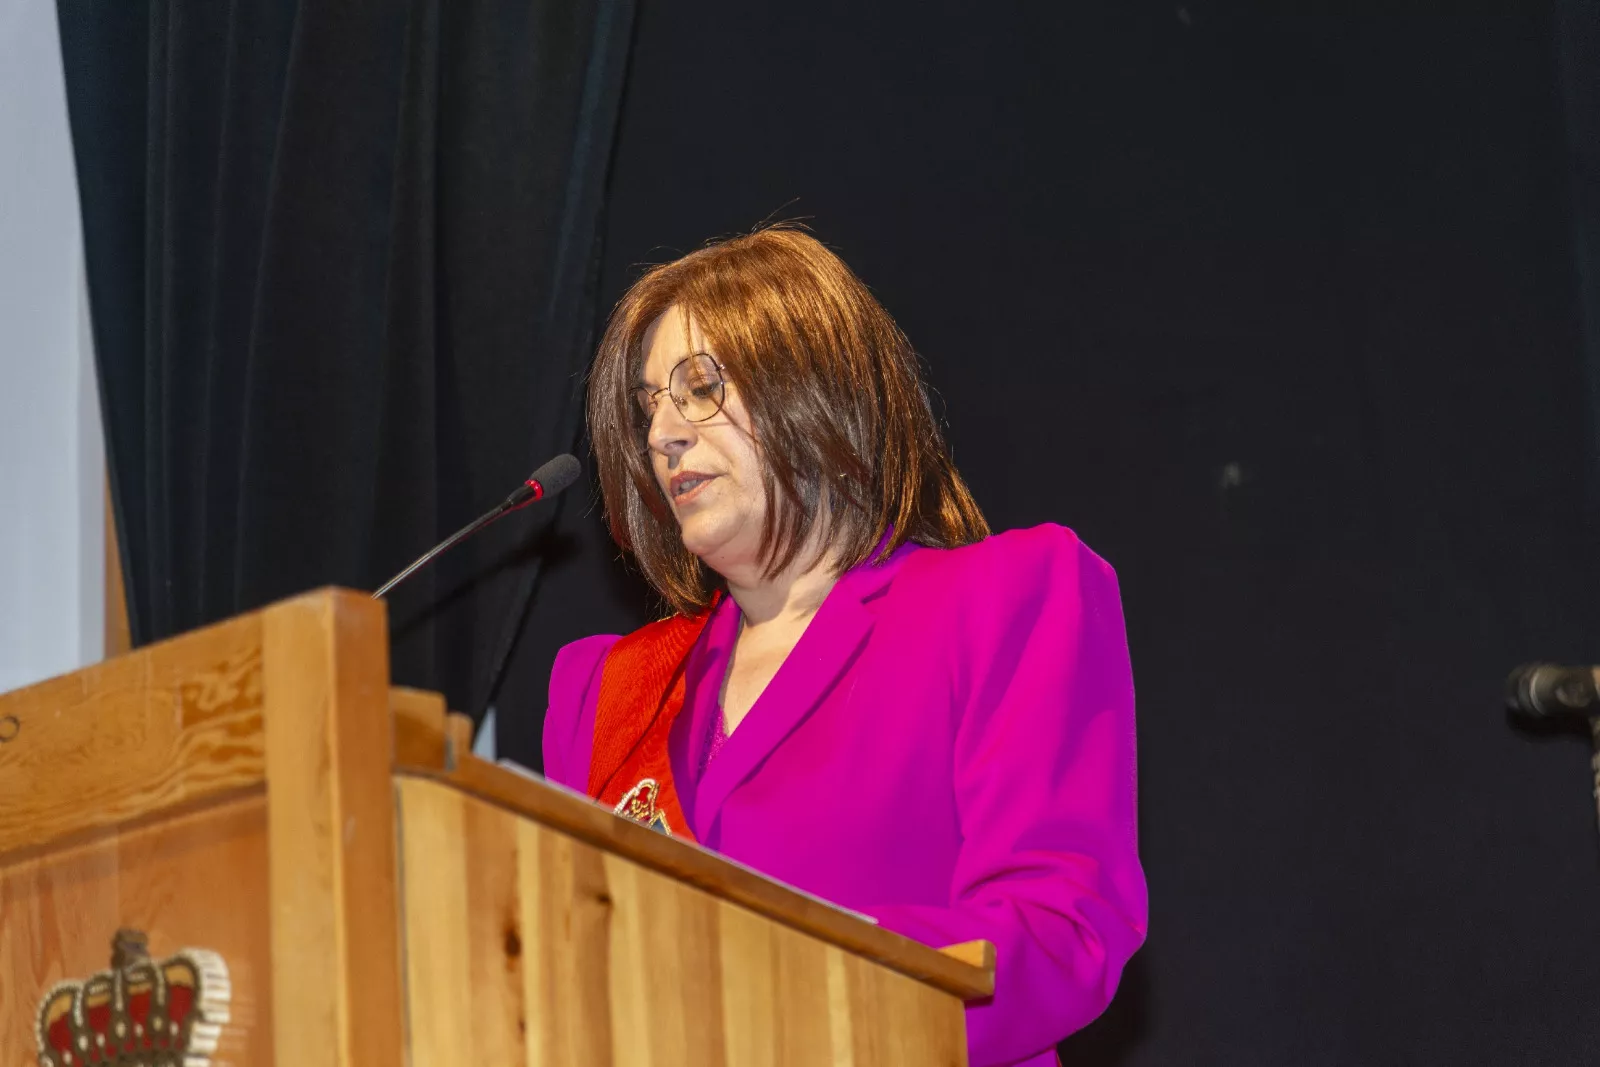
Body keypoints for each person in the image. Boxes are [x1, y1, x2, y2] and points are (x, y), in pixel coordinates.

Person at [542, 225, 1146, 1066]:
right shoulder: (606, 688)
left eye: (700, 387)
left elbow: (1057, 930)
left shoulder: (1004, 598)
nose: (663, 435)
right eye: (649, 407)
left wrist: (779, 992)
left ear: (814, 385)